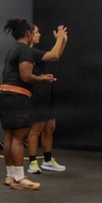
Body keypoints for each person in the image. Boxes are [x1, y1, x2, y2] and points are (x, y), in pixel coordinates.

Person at [0, 18, 66, 189]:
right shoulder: (25, 50)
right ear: (28, 33)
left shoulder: (13, 50)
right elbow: (26, 76)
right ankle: (20, 178)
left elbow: (53, 55)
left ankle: (11, 175)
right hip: (17, 96)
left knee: (10, 137)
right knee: (19, 138)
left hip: (5, 95)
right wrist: (42, 80)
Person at [25, 24, 69, 175]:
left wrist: (62, 42)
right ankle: (32, 162)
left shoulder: (38, 53)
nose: (39, 35)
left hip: (47, 93)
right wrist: (60, 38)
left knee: (50, 127)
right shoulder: (30, 52)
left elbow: (55, 56)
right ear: (29, 34)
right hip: (37, 94)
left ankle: (48, 160)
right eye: (36, 32)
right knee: (37, 129)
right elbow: (54, 54)